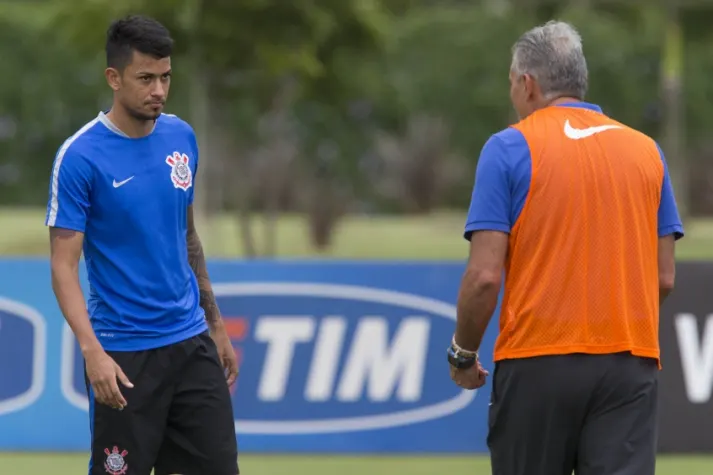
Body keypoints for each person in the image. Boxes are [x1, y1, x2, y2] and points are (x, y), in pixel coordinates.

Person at [446, 20, 684, 475]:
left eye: (512, 83)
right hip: (628, 364)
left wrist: (462, 353)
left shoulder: (509, 147)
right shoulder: (646, 151)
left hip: (537, 361)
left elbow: (483, 277)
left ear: (528, 84)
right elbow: (664, 277)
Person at [45, 15, 239, 475]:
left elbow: (187, 237)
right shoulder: (80, 157)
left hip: (192, 345)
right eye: (146, 78)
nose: (159, 90)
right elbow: (63, 267)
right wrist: (92, 351)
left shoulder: (182, 137)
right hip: (124, 354)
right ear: (114, 78)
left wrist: (216, 325)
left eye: (166, 77)